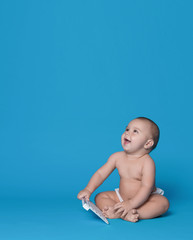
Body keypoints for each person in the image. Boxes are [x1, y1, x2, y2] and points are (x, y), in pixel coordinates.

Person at [77, 117, 169, 222]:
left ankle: (136, 213)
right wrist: (89, 189)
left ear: (147, 143)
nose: (127, 133)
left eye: (135, 131)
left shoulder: (147, 162)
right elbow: (101, 174)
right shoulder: (117, 157)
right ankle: (123, 213)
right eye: (127, 129)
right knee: (100, 197)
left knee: (163, 203)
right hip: (121, 197)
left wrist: (131, 204)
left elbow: (146, 187)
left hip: (144, 199)